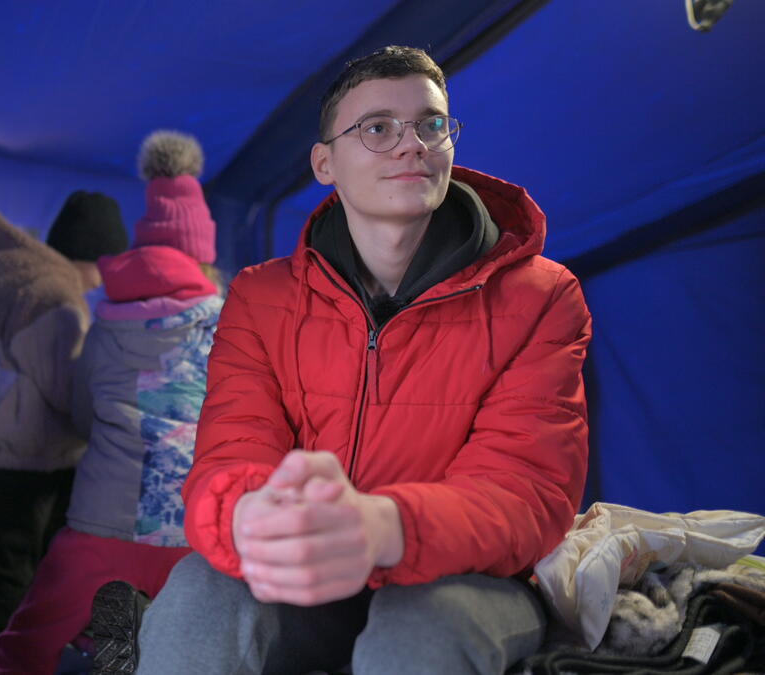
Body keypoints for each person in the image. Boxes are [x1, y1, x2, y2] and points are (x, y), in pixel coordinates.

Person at [137, 45, 593, 674]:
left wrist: (384, 526)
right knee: (199, 594)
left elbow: (526, 490)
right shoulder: (260, 296)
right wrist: (248, 515)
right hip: (310, 582)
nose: (413, 145)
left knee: (422, 629)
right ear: (324, 163)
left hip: (466, 581)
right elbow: (231, 454)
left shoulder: (542, 296)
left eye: (431, 125)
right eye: (378, 128)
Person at [0, 130, 224, 675]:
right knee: (191, 651)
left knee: (26, 646)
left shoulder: (106, 319)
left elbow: (82, 413)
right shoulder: (226, 323)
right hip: (189, 529)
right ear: (204, 254)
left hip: (97, 520)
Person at [0, 199, 128, 674]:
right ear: (96, 256)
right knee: (14, 579)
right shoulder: (58, 300)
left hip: (2, 454)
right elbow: (68, 393)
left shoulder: (28, 285)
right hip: (37, 464)